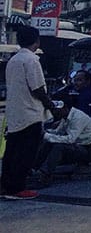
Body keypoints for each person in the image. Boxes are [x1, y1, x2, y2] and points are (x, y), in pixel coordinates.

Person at [2, 25, 57, 200]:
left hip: (15, 113)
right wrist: (50, 105)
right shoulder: (32, 60)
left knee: (12, 152)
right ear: (37, 41)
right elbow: (37, 88)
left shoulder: (14, 60)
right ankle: (17, 188)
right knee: (25, 153)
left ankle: (6, 185)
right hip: (30, 113)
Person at [33, 100, 91, 184]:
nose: (55, 112)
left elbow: (70, 139)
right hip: (79, 145)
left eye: (57, 110)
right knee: (49, 142)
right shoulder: (65, 118)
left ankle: (46, 174)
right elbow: (57, 132)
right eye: (53, 110)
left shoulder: (78, 118)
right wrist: (45, 133)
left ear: (65, 109)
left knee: (59, 146)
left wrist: (46, 136)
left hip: (89, 148)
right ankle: (34, 167)